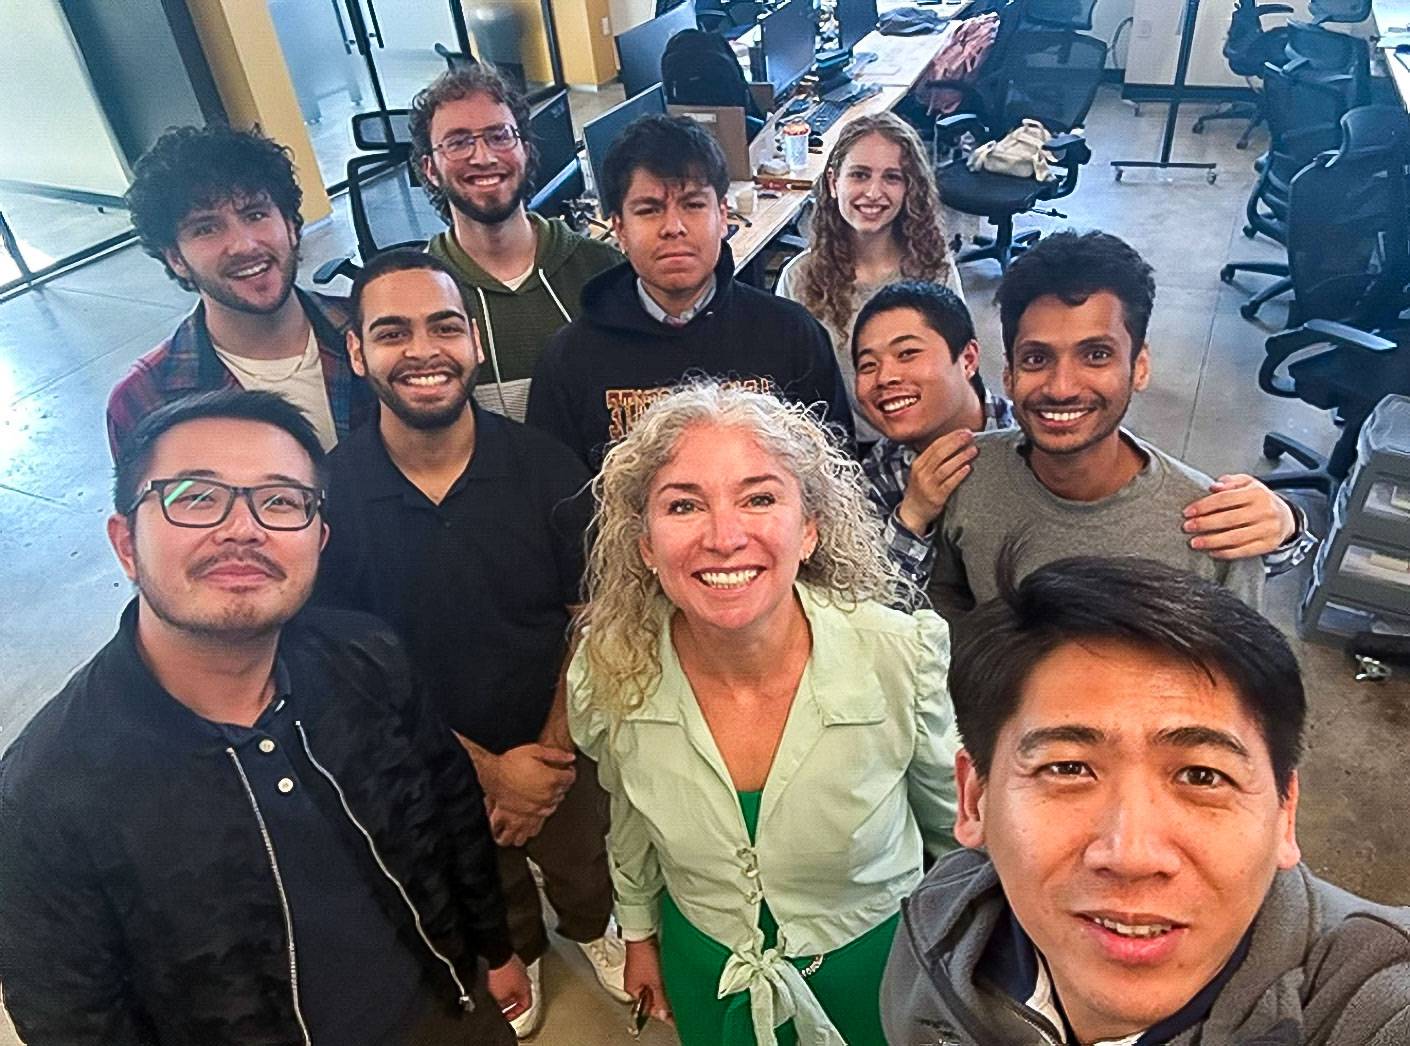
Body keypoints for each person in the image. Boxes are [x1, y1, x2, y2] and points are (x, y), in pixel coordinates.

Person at [0, 390, 529, 1045]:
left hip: (446, 1013)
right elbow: (74, 1019)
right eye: (196, 496)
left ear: (319, 540)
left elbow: (450, 811)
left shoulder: (368, 658)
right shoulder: (44, 793)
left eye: (280, 500)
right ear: (126, 543)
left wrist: (494, 948)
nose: (242, 528)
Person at [567, 383, 958, 1046]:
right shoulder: (612, 674)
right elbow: (630, 815)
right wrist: (637, 932)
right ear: (645, 545)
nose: (724, 537)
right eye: (684, 504)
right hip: (707, 966)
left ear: (809, 529)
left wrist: (963, 959)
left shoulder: (897, 658)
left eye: (760, 498)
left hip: (881, 971)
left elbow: (954, 834)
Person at [882, 556, 1410, 1045]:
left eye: (1203, 776)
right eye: (1067, 768)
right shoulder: (939, 925)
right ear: (975, 800)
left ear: (1284, 814)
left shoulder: (1371, 999)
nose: (1131, 855)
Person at [317, 250, 626, 1036]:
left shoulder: (545, 466)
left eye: (444, 326)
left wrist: (547, 762)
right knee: (480, 876)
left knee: (581, 859)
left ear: (475, 343)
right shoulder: (329, 497)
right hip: (423, 753)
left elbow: (590, 615)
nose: (423, 350)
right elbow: (348, 669)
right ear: (357, 353)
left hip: (557, 740)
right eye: (392, 332)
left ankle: (592, 930)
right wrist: (488, 772)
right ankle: (512, 952)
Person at [851, 276, 1313, 602]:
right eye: (867, 365)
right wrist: (912, 517)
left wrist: (1286, 524)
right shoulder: (885, 475)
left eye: (1095, 355)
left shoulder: (1055, 433)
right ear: (1010, 373)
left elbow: (1216, 562)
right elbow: (891, 609)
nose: (1061, 387)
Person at [526, 115, 854, 470]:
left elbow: (833, 477)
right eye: (649, 210)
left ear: (722, 215)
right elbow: (555, 503)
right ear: (618, 228)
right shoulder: (570, 361)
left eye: (693, 204)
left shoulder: (792, 336)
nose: (674, 227)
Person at [107, 125, 375, 455]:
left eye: (256, 214)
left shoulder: (375, 328)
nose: (244, 245)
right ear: (176, 258)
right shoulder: (144, 400)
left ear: (291, 226)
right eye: (206, 228)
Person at [411, 66, 622, 420]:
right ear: (430, 169)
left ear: (524, 150)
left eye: (499, 136)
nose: (484, 157)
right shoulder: (419, 293)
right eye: (458, 142)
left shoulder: (603, 270)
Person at [775, 113, 964, 441]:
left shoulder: (935, 268)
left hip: (921, 445)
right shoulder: (799, 279)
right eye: (860, 175)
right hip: (834, 453)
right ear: (834, 183)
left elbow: (958, 375)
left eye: (892, 177)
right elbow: (783, 393)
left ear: (909, 188)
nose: (874, 193)